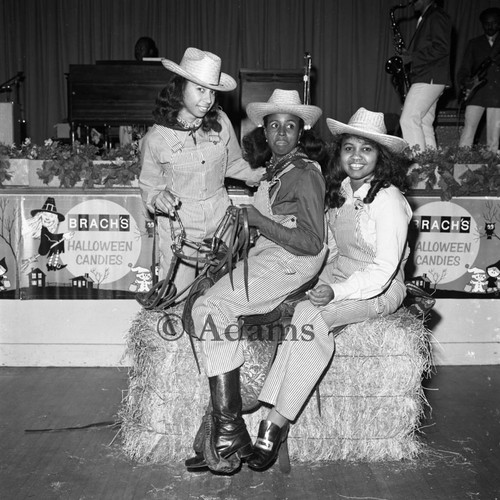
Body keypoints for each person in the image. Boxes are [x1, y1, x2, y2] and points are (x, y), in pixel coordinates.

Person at [247, 108, 413, 471]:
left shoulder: (389, 201)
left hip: (379, 287)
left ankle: (274, 423)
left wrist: (334, 294)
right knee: (293, 306)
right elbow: (334, 250)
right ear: (339, 154)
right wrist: (311, 282)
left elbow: (384, 270)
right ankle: (269, 413)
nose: (356, 157)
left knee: (312, 315)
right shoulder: (341, 191)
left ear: (380, 157)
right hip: (341, 274)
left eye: (366, 150)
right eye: (349, 148)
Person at [184, 89, 329, 474]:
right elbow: (269, 228)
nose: (281, 133)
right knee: (206, 299)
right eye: (274, 125)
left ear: (302, 132)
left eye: (290, 126)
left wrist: (258, 221)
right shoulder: (276, 171)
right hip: (271, 255)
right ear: (264, 132)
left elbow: (313, 241)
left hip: (293, 260)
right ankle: (222, 434)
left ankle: (229, 430)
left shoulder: (304, 172)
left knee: (211, 307)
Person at [139, 47, 265, 298]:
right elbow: (149, 186)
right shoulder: (156, 138)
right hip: (180, 229)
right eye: (200, 89)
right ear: (179, 88)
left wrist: (266, 174)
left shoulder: (221, 122)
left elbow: (232, 164)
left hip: (222, 224)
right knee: (177, 296)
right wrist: (157, 198)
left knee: (221, 295)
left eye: (212, 91)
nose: (208, 99)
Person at [399, 0, 452, 152]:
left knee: (408, 119)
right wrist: (409, 55)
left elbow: (441, 48)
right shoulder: (429, 16)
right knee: (423, 123)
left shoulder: (436, 16)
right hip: (429, 77)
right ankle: (431, 169)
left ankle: (418, 167)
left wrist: (412, 58)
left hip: (430, 77)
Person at [458, 8, 500, 156]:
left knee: (494, 137)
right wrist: (465, 82)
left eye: (494, 23)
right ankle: (461, 161)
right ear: (482, 24)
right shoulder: (474, 43)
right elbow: (464, 69)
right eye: (487, 23)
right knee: (468, 130)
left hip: (497, 95)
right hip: (477, 93)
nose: (490, 26)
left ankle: (492, 170)